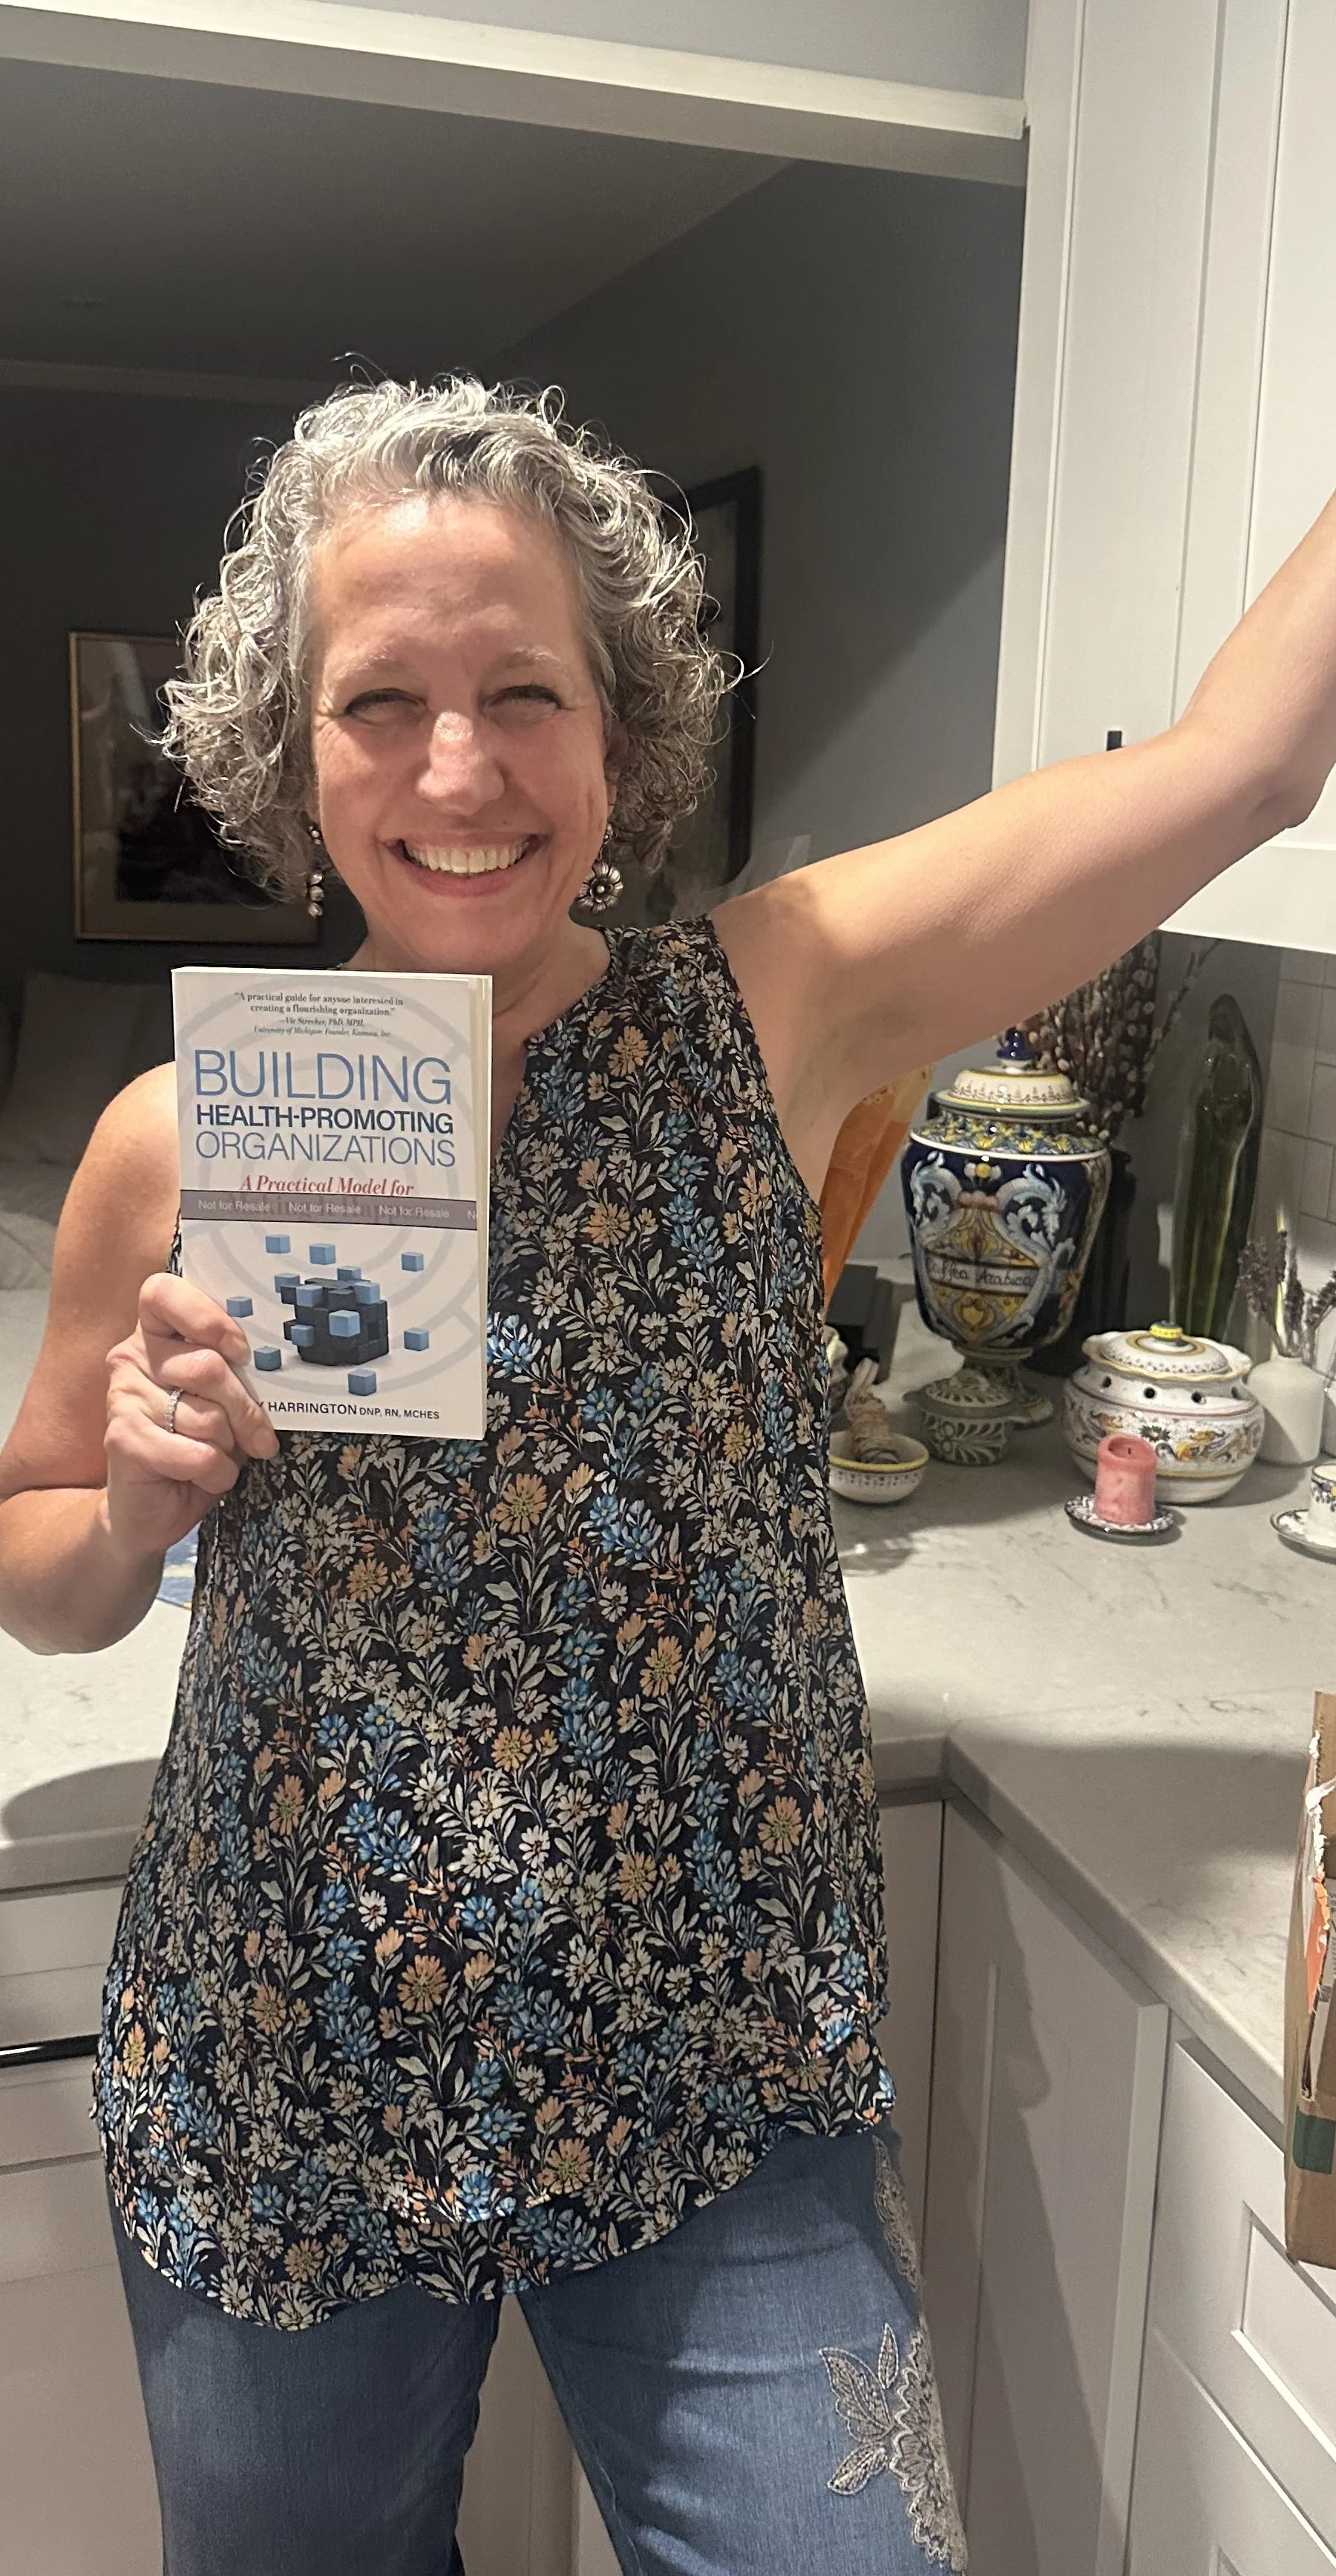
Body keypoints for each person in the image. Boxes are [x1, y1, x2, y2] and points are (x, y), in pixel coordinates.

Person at [1, 377, 1332, 2576]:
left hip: (715, 2063)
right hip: (287, 2052)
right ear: (283, 740)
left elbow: (1243, 767)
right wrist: (137, 1501)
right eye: (382, 701)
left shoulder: (777, 1003)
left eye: (524, 691)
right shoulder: (198, 1132)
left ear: (618, 722)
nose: (457, 770)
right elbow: (37, 1565)